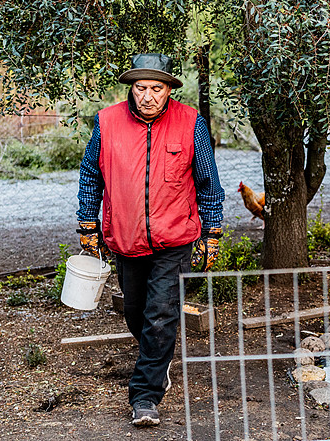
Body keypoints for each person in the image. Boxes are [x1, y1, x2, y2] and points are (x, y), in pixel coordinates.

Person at [76, 53, 225, 427]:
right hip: (125, 238)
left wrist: (213, 232)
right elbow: (90, 175)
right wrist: (87, 223)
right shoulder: (107, 122)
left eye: (156, 88)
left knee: (160, 316)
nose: (147, 96)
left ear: (169, 90)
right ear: (132, 89)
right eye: (141, 88)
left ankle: (145, 396)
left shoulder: (191, 123)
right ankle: (157, 361)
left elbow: (208, 183)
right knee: (136, 312)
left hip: (175, 238)